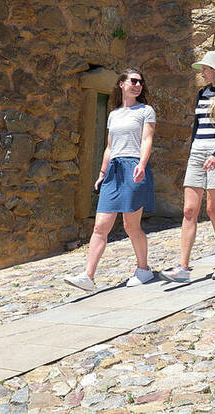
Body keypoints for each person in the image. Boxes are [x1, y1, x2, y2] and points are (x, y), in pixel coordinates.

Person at [63, 68, 157, 291]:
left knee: (130, 226)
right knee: (100, 226)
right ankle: (88, 276)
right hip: (113, 171)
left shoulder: (146, 111)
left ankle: (143, 269)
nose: (138, 85)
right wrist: (102, 174)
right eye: (133, 81)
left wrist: (142, 165)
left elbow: (147, 140)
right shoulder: (113, 115)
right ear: (122, 84)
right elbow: (109, 147)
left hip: (133, 167)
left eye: (140, 82)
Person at [158, 50, 215, 282]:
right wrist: (193, 151)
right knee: (189, 210)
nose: (202, 72)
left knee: (213, 210)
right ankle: (183, 267)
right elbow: (196, 126)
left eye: (205, 68)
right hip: (197, 153)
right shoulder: (201, 94)